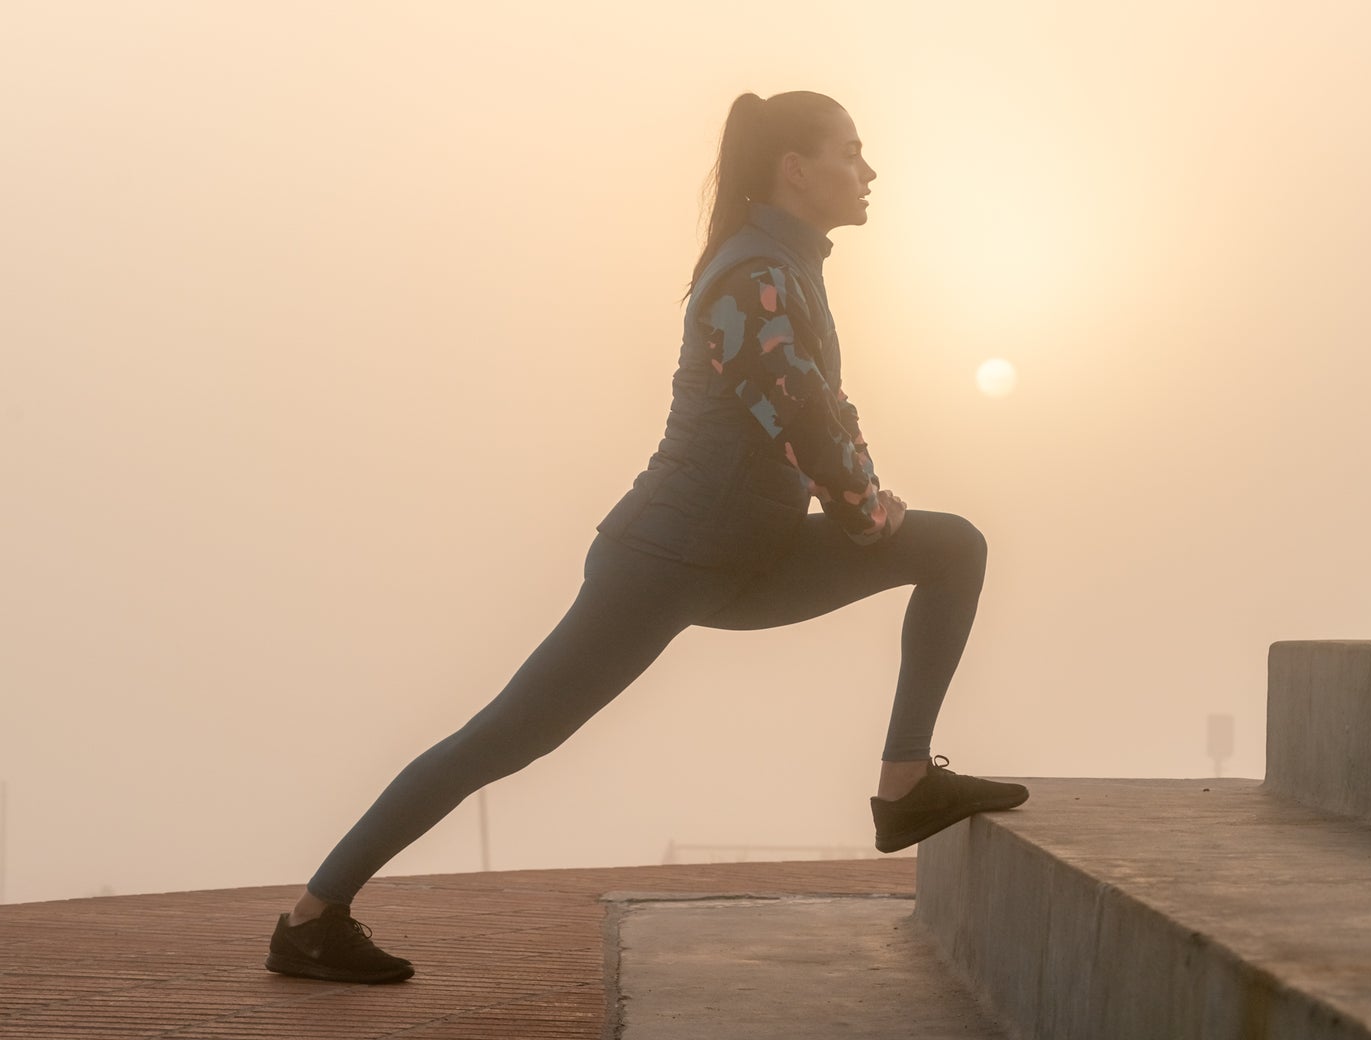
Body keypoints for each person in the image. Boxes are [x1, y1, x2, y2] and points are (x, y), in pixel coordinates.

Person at [264, 90, 1029, 985]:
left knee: (952, 547)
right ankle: (312, 919)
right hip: (663, 563)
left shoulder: (790, 264)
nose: (869, 171)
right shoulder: (753, 275)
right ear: (795, 167)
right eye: (852, 152)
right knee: (503, 738)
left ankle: (904, 786)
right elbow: (805, 418)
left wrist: (871, 505)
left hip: (754, 555)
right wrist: (867, 513)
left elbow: (827, 408)